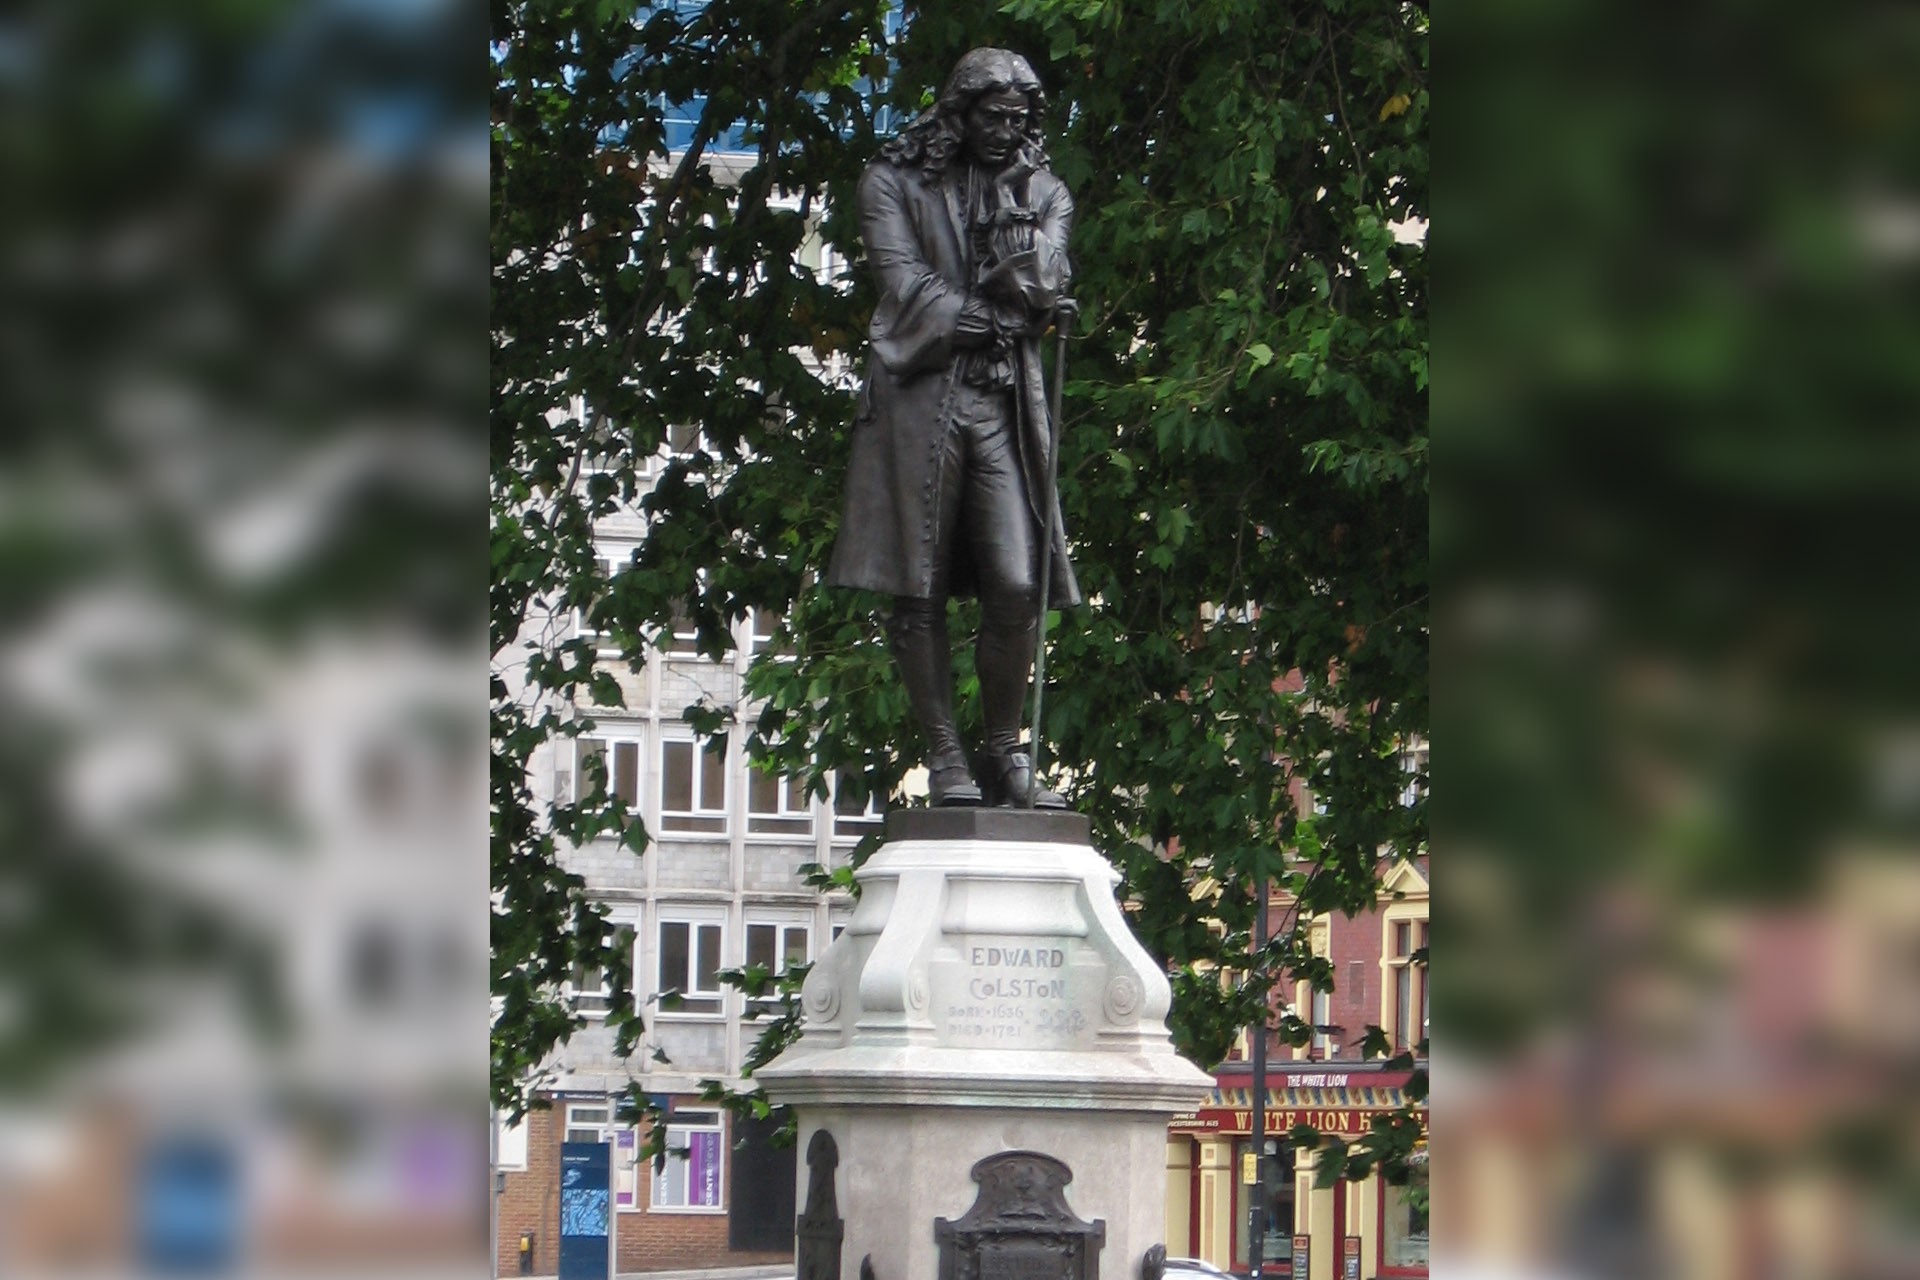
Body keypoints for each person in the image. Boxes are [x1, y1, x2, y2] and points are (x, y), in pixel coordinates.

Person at [826, 47, 1078, 808]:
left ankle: (1004, 750)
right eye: (992, 117)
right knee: (918, 581)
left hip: (1000, 401)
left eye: (1019, 120)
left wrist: (1014, 219)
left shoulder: (1043, 192)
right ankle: (945, 756)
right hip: (918, 406)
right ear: (958, 112)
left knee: (1016, 581)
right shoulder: (890, 183)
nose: (1007, 131)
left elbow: (1050, 275)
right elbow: (902, 284)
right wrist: (998, 307)